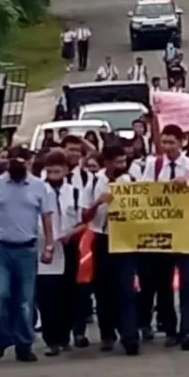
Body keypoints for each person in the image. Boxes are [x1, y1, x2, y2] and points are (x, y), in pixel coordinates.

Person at [0, 146, 56, 362]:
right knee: (0, 295)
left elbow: (47, 217)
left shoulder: (39, 187)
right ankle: (3, 338)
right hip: (0, 248)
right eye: (14, 163)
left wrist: (49, 245)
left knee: (25, 300)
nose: (18, 167)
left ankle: (23, 344)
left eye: (22, 162)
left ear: (29, 163)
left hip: (27, 250)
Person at [138, 125, 189, 351]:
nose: (168, 147)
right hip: (162, 232)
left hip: (186, 232)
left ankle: (187, 328)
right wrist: (169, 186)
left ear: (182, 142)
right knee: (163, 283)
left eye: (172, 142)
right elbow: (147, 194)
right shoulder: (154, 164)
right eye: (165, 142)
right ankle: (170, 329)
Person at [80, 144, 141, 355]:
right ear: (106, 163)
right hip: (102, 239)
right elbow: (84, 217)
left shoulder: (131, 180)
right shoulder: (95, 181)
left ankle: (130, 336)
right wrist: (98, 203)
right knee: (104, 290)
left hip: (125, 240)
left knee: (126, 289)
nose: (121, 166)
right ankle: (107, 333)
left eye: (124, 162)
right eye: (117, 163)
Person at [35, 149, 86, 357]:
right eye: (49, 172)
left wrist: (71, 233)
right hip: (45, 246)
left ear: (66, 170)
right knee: (47, 294)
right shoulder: (38, 191)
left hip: (68, 245)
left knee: (68, 293)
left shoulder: (74, 192)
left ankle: (65, 335)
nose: (53, 176)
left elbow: (84, 222)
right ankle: (51, 339)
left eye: (57, 171)